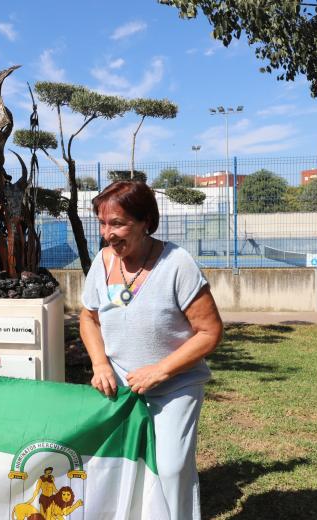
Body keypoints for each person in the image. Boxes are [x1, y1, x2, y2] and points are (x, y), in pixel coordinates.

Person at [79, 180, 222, 520]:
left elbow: (209, 331)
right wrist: (100, 364)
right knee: (117, 464)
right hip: (120, 388)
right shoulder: (102, 262)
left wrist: (160, 371)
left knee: (171, 468)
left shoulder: (177, 263)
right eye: (102, 223)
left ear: (146, 222)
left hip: (175, 386)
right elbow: (89, 317)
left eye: (118, 223)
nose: (107, 234)